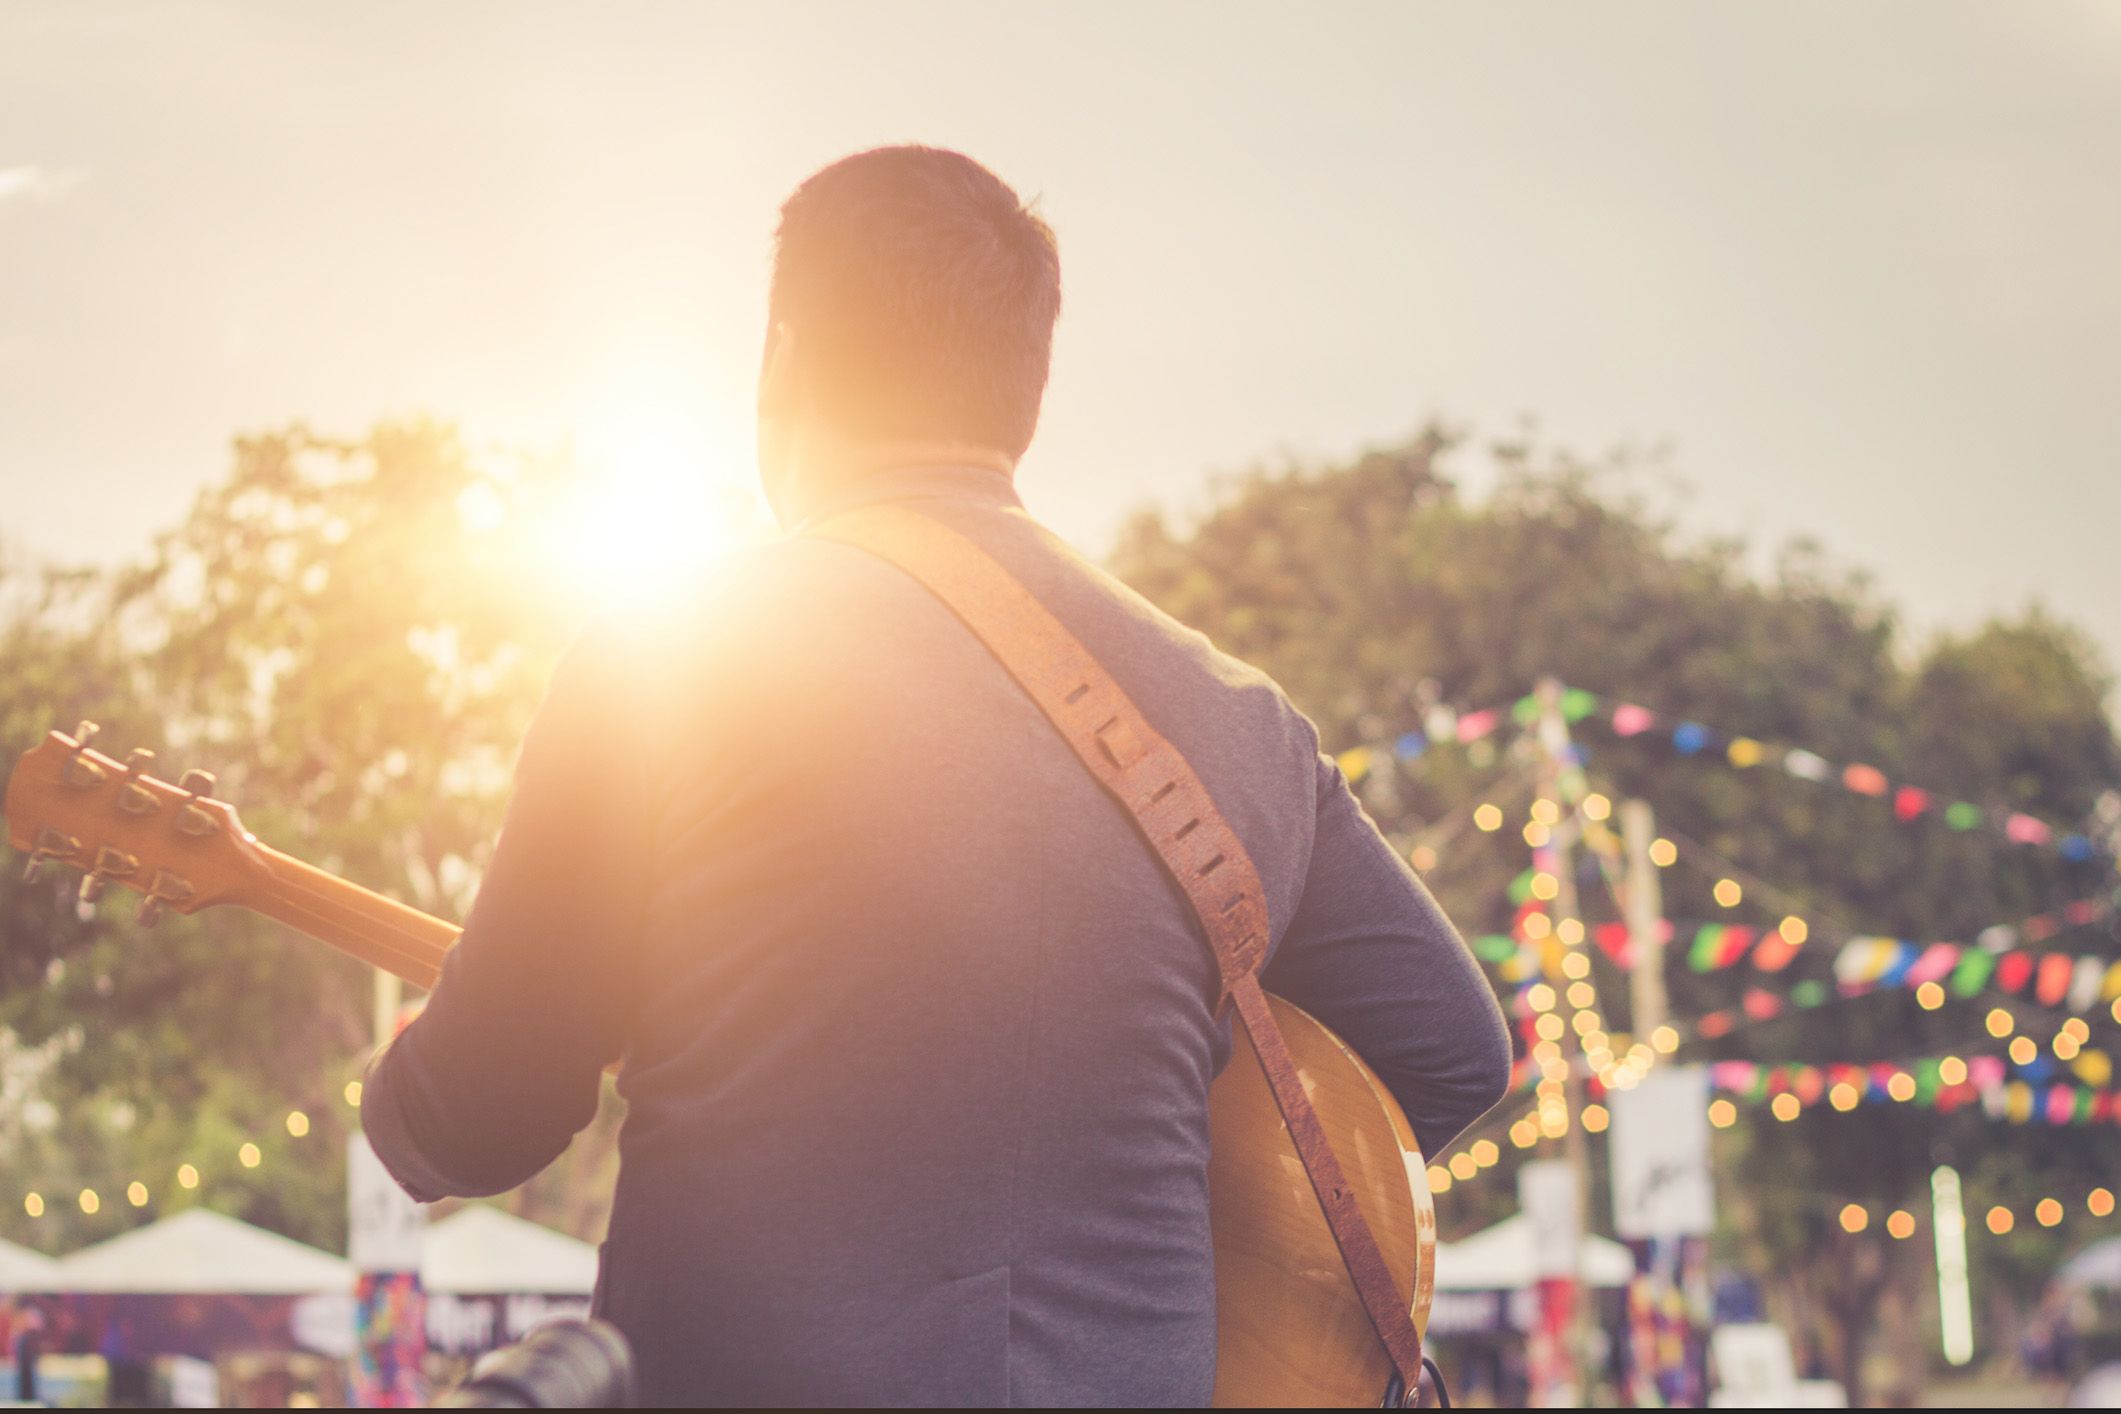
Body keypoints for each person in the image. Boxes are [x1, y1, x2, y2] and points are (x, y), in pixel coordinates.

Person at [362, 145, 1511, 1407]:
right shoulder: (1241, 723)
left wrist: (406, 1083)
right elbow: (1454, 1053)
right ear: (1023, 389)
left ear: (783, 361)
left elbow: (480, 1117)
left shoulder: (668, 650)